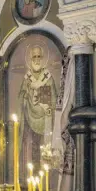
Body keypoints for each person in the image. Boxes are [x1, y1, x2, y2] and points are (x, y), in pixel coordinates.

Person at [18, 45, 57, 174]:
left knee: (44, 146)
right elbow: (21, 95)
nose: (36, 59)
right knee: (33, 146)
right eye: (34, 56)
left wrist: (48, 106)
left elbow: (54, 98)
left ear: (43, 58)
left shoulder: (48, 77)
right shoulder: (27, 78)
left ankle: (45, 172)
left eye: (39, 56)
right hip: (29, 117)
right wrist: (27, 95)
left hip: (45, 119)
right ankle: (33, 171)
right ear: (30, 58)